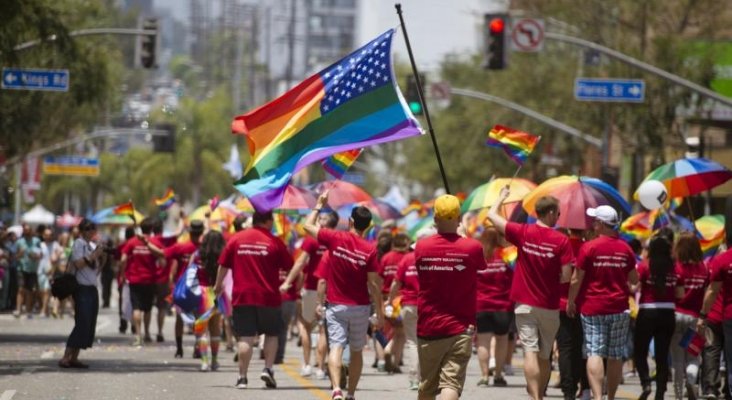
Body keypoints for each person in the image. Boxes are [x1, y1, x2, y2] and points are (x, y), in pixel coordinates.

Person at [488, 187, 573, 400]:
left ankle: (535, 397)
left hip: (525, 304)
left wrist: (501, 198)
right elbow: (566, 276)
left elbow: (491, 216)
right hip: (550, 305)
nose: (558, 218)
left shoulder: (523, 232)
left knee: (529, 351)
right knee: (545, 356)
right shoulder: (562, 241)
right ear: (551, 213)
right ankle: (540, 395)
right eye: (558, 214)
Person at [303, 191, 384, 400]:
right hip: (360, 308)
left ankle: (336, 389)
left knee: (336, 347)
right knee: (356, 351)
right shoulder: (370, 249)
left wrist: (318, 205)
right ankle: (350, 394)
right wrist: (381, 314)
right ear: (368, 226)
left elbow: (307, 227)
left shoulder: (335, 237)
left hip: (336, 306)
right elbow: (374, 285)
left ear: (350, 222)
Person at [213, 211, 293, 390]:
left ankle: (242, 377)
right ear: (267, 221)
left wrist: (218, 286)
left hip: (243, 296)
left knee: (246, 337)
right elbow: (289, 266)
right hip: (269, 296)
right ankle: (268, 368)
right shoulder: (274, 241)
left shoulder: (236, 239)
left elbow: (223, 265)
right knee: (272, 334)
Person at [413, 194, 483, 400]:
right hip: (461, 327)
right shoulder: (472, 247)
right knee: (451, 383)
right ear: (459, 218)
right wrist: (462, 237)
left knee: (427, 386)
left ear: (435, 219)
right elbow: (479, 265)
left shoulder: (421, 247)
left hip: (429, 325)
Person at [566, 206, 638, 400]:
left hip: (593, 308)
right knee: (614, 355)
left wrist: (570, 301)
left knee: (594, 351)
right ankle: (611, 397)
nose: (592, 224)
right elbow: (634, 280)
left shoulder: (588, 247)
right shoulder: (626, 248)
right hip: (619, 307)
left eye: (595, 221)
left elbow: (575, 279)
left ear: (601, 224)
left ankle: (597, 396)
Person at [280, 210, 338, 377]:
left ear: (328, 223)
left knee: (304, 325)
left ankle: (306, 365)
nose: (319, 221)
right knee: (323, 329)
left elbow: (300, 262)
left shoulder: (312, 240)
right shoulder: (339, 240)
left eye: (322, 218)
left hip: (312, 288)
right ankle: (320, 368)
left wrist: (287, 282)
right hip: (331, 290)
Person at [145, 220, 205, 357]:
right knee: (199, 319)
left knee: (180, 319)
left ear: (190, 233)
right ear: (201, 233)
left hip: (182, 290)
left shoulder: (180, 247)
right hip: (200, 288)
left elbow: (160, 253)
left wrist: (146, 243)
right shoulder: (205, 248)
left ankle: (179, 348)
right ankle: (197, 347)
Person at [634, 233, 682, 400]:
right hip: (668, 313)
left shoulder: (645, 266)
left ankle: (646, 382)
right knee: (662, 355)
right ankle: (660, 393)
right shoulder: (675, 267)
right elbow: (680, 293)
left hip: (648, 311)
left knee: (639, 351)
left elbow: (635, 286)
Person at [58, 219, 108, 368]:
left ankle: (74, 357)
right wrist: (94, 255)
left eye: (92, 229)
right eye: (87, 229)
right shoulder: (78, 244)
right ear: (81, 231)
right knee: (82, 322)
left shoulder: (91, 246)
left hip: (92, 288)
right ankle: (65, 357)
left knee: (89, 324)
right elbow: (78, 263)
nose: (90, 231)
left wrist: (102, 256)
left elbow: (97, 269)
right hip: (81, 289)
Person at [475, 224, 514, 388]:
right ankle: (498, 375)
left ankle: (484, 376)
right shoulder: (506, 256)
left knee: (483, 341)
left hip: (481, 305)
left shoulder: (477, 257)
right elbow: (513, 279)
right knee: (502, 340)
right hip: (502, 306)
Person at [670, 232, 708, 400]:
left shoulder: (676, 267)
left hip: (676, 315)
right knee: (693, 357)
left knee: (677, 359)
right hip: (694, 318)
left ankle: (678, 395)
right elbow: (707, 294)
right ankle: (691, 381)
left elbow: (677, 294)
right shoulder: (704, 268)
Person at [120, 218, 163, 346]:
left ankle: (138, 335)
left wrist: (122, 274)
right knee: (148, 308)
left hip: (134, 279)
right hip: (150, 279)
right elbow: (162, 259)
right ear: (151, 229)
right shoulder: (154, 242)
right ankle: (147, 333)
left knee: (136, 307)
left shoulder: (132, 242)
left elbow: (123, 259)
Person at [699, 239, 732, 400]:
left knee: (711, 351)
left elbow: (709, 291)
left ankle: (711, 387)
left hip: (714, 315)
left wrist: (702, 314)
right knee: (729, 355)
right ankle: (727, 389)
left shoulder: (715, 265)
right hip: (724, 315)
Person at [194, 230, 226, 372]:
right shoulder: (223, 256)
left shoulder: (198, 255)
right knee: (215, 330)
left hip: (201, 293)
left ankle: (204, 362)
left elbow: (190, 272)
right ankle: (214, 361)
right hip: (217, 293)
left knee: (202, 330)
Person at [381, 232, 410, 373]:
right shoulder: (406, 259)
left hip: (386, 299)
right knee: (401, 334)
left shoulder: (386, 258)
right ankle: (395, 360)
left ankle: (390, 355)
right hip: (401, 299)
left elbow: (379, 278)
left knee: (392, 331)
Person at [14, 224, 42, 318]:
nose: (27, 232)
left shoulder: (36, 241)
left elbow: (40, 255)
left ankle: (28, 310)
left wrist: (36, 257)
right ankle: (18, 309)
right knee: (21, 289)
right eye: (25, 230)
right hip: (21, 268)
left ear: (31, 231)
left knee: (30, 290)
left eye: (29, 230)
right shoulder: (19, 242)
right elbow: (15, 257)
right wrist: (20, 254)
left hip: (32, 269)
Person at [38, 228, 62, 318]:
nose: (48, 236)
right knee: (41, 291)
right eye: (46, 235)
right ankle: (46, 308)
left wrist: (56, 256)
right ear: (43, 235)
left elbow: (59, 252)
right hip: (41, 270)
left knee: (47, 290)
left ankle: (43, 310)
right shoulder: (40, 245)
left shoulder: (55, 245)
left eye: (50, 235)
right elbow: (37, 255)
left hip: (51, 271)